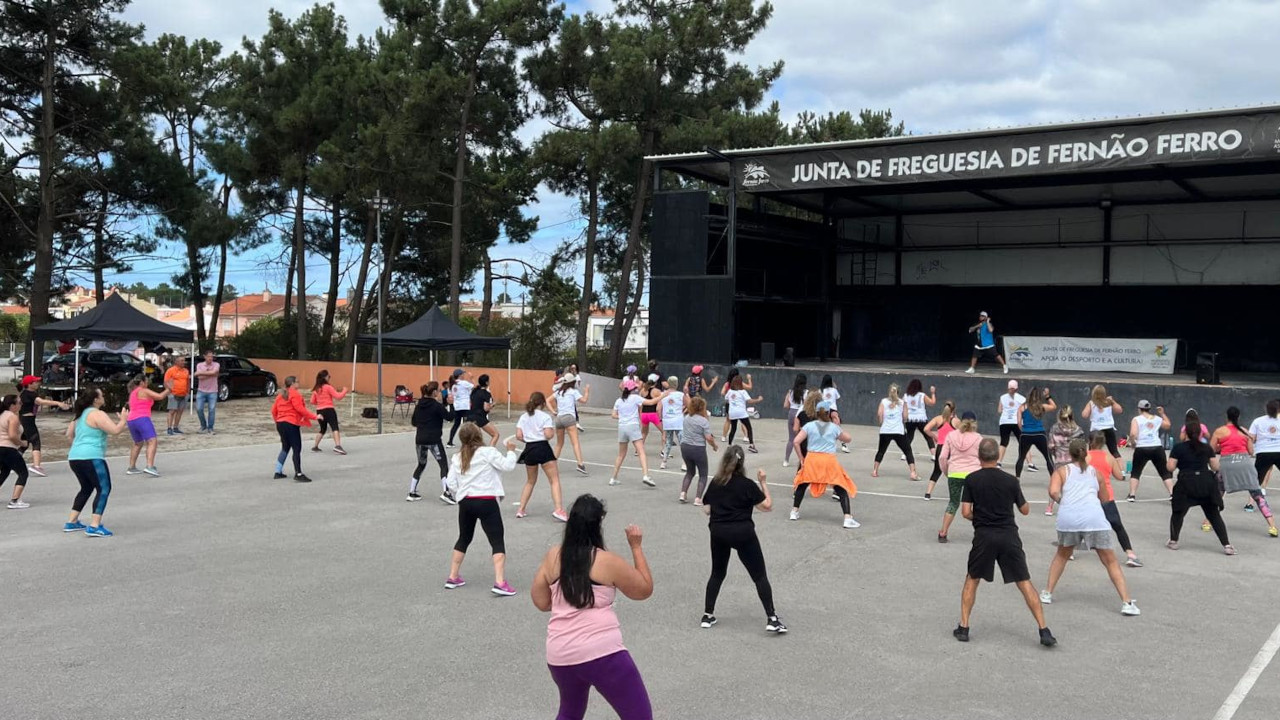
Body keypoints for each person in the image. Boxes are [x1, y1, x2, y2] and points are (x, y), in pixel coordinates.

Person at [531, 495, 654, 720]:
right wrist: (636, 547)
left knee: (570, 711)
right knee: (639, 716)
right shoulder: (606, 561)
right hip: (602, 653)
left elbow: (541, 601)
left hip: (560, 653)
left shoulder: (553, 556)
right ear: (598, 524)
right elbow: (643, 590)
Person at [954, 438, 1055, 646]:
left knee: (972, 580)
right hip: (1009, 536)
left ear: (979, 456)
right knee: (1024, 581)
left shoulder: (972, 480)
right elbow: (1025, 510)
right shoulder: (1011, 481)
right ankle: (1044, 630)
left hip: (984, 536)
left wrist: (980, 516)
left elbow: (965, 512)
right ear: (997, 456)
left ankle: (963, 627)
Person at [1040, 438, 1141, 616]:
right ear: (1086, 453)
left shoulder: (1062, 471)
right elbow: (1104, 499)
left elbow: (1053, 491)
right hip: (1094, 518)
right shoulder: (1096, 473)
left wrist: (1063, 502)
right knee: (1110, 561)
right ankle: (1126, 602)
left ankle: (1047, 593)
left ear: (1070, 454)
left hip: (1068, 518)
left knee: (1062, 555)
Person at [700, 445, 785, 633]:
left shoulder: (716, 482)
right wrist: (763, 482)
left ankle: (708, 614)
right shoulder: (746, 484)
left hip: (719, 532)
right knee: (759, 575)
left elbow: (706, 508)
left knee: (717, 573)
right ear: (742, 463)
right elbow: (767, 506)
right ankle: (772, 618)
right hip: (743, 533)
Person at [444, 424, 519, 595]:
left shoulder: (457, 457)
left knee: (464, 537)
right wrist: (511, 451)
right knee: (496, 540)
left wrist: (459, 494)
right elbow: (507, 466)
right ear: (479, 435)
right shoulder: (488, 452)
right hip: (486, 500)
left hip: (466, 501)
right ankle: (500, 581)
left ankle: (453, 576)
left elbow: (451, 483)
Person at [63, 387, 129, 537]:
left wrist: (79, 446)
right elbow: (115, 431)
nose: (104, 396)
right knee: (104, 488)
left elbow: (69, 434)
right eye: (101, 395)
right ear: (95, 399)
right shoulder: (97, 414)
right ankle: (94, 525)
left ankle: (71, 521)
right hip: (91, 456)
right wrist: (124, 420)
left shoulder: (79, 415)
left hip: (75, 457)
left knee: (86, 488)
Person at [1167, 421, 1234, 554]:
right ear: (1200, 433)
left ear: (1185, 433)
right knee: (1214, 515)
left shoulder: (1178, 448)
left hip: (1186, 482)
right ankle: (1227, 545)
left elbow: (1170, 467)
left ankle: (1174, 541)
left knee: (1178, 513)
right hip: (1205, 482)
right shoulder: (1206, 448)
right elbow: (1215, 467)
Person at [790, 400, 859, 528]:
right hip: (828, 460)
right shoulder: (833, 427)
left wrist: (801, 458)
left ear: (816, 412)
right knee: (840, 486)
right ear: (828, 413)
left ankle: (794, 511)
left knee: (802, 483)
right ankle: (847, 518)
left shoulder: (809, 426)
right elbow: (848, 439)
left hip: (812, 459)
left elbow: (796, 441)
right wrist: (838, 426)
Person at [1212, 407, 1277, 537]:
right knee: (1258, 496)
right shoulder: (1245, 432)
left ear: (1227, 416)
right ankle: (1272, 526)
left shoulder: (1220, 431)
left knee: (1218, 493)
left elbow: (1211, 449)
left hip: (1227, 464)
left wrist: (1221, 447)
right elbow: (1251, 452)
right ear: (1239, 417)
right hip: (1245, 464)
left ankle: (1207, 522)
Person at [1086, 432, 1143, 567]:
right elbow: (1118, 476)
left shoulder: (1085, 457)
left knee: (1079, 525)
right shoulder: (1109, 457)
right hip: (1106, 497)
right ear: (1104, 443)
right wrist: (1121, 475)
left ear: (1089, 441)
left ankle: (1068, 551)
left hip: (1089, 497)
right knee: (1117, 526)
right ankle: (1130, 554)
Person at [515, 392, 567, 522]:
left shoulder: (523, 417)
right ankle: (558, 509)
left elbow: (519, 436)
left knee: (530, 481)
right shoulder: (545, 417)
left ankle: (521, 509)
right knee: (554, 480)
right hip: (543, 448)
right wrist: (552, 433)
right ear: (543, 403)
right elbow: (548, 435)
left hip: (530, 448)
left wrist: (529, 438)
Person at [937, 411, 982, 543]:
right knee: (976, 505)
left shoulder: (951, 436)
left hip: (955, 473)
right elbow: (983, 458)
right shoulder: (978, 438)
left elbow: (942, 457)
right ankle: (981, 530)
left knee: (953, 502)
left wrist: (947, 472)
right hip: (973, 475)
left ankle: (943, 532)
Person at [409, 382, 453, 503]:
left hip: (420, 439)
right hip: (434, 439)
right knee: (443, 465)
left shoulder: (419, 405)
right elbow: (449, 417)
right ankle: (446, 492)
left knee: (421, 464)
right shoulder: (436, 406)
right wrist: (451, 405)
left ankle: (412, 492)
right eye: (438, 391)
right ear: (434, 392)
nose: (439, 393)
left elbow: (413, 422)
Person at [17, 375, 69, 477]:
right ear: (30, 384)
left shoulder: (26, 393)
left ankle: (10, 461)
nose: (38, 383)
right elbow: (41, 402)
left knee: (25, 443)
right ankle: (36, 466)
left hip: (26, 419)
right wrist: (58, 403)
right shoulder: (29, 394)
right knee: (36, 442)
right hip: (28, 421)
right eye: (35, 382)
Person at [271, 376, 317, 482]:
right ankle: (298, 473)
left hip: (280, 423)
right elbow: (300, 409)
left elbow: (273, 411)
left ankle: (278, 472)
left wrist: (278, 421)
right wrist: (314, 416)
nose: (299, 383)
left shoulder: (280, 395)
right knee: (296, 448)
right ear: (292, 384)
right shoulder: (295, 394)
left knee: (285, 447)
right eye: (297, 382)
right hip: (291, 423)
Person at [1126, 400, 1172, 501]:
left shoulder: (1136, 419)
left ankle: (1132, 494)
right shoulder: (1156, 418)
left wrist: (1133, 443)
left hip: (1142, 447)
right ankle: (1172, 493)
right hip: (1156, 446)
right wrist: (1162, 413)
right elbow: (1168, 425)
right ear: (1149, 409)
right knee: (1164, 472)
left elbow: (1133, 434)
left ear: (1139, 409)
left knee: (1136, 471)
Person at [124, 375, 169, 477]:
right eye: (146, 381)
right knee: (152, 440)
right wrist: (169, 389)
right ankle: (149, 466)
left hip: (131, 419)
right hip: (142, 418)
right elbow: (160, 396)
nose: (147, 383)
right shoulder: (143, 390)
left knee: (138, 443)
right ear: (142, 382)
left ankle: (132, 467)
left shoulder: (132, 393)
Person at [609, 380, 651, 487]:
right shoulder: (635, 398)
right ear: (633, 389)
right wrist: (662, 396)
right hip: (633, 426)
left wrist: (622, 416)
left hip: (622, 427)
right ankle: (646, 475)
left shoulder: (619, 400)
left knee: (621, 454)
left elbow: (613, 415)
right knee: (641, 451)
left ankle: (613, 477)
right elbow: (650, 402)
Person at [872, 383, 918, 480]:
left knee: (881, 451)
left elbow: (879, 414)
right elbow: (905, 417)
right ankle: (913, 473)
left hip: (885, 430)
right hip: (898, 431)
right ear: (898, 392)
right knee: (908, 451)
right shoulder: (902, 402)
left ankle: (875, 471)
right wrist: (903, 419)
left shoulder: (883, 401)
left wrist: (881, 423)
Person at [679, 396, 719, 505]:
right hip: (698, 448)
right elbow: (708, 437)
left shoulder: (686, 418)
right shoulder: (703, 421)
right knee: (703, 474)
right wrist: (714, 445)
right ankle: (698, 498)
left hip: (685, 446)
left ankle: (683, 493)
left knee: (689, 472)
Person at [1046, 406, 1084, 515]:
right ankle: (1072, 505)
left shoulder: (1054, 428)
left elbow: (1051, 445)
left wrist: (1056, 454)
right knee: (1071, 485)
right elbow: (1081, 447)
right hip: (1073, 461)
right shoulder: (1078, 430)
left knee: (1055, 484)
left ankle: (1050, 507)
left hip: (1059, 460)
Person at [551, 374, 590, 476]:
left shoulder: (558, 392)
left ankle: (552, 464)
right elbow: (584, 401)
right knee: (575, 443)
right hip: (569, 417)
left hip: (559, 418)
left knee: (559, 444)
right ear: (572, 382)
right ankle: (580, 464)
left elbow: (547, 400)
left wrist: (553, 411)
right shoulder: (573, 392)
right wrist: (586, 391)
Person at [1014, 386, 1057, 478]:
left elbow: (1018, 422)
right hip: (1039, 433)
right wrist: (1048, 396)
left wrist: (1024, 430)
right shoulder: (1041, 406)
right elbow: (1054, 406)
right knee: (1048, 458)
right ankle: (1053, 478)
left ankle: (1017, 478)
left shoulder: (1022, 407)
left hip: (1026, 433)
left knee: (1021, 457)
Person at [1, 394, 31, 509]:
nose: (21, 405)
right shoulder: (12, 417)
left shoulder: (2, 415)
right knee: (23, 472)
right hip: (8, 448)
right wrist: (21, 443)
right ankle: (15, 500)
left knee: (5, 471)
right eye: (19, 403)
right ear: (12, 405)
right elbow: (12, 435)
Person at [923, 401, 958, 500]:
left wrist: (934, 436)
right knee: (952, 471)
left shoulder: (938, 419)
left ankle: (928, 493)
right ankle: (954, 494)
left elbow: (926, 429)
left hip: (940, 447)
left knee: (937, 470)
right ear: (954, 410)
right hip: (951, 448)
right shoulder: (956, 421)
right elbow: (962, 433)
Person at [309, 369, 349, 455]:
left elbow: (312, 401)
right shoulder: (328, 387)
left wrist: (320, 402)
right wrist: (344, 390)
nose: (329, 378)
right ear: (325, 377)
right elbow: (338, 397)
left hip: (319, 410)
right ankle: (338, 446)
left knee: (322, 429)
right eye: (329, 377)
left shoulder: (316, 389)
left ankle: (315, 446)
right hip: (329, 409)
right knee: (334, 427)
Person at [1081, 385, 1123, 458]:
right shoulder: (1109, 402)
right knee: (1114, 451)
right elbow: (1119, 410)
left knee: (1092, 452)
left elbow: (1084, 415)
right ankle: (1120, 469)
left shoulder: (1091, 403)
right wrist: (1112, 401)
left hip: (1096, 430)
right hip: (1109, 429)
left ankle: (1091, 467)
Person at [724, 375, 763, 452]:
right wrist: (758, 399)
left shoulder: (730, 391)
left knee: (733, 428)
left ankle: (729, 445)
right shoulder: (743, 392)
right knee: (748, 427)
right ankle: (751, 445)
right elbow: (749, 401)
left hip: (732, 412)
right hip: (741, 412)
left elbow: (726, 400)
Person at [1250, 399, 1280, 495]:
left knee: (1256, 481)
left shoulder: (1258, 421)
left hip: (1263, 452)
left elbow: (1252, 438)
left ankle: (1251, 503)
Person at [902, 379, 937, 461]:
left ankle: (904, 454)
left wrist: (904, 418)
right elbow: (932, 403)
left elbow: (904, 408)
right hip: (921, 418)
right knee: (928, 436)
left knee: (909, 436)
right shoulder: (922, 395)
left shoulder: (906, 396)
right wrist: (933, 393)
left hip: (910, 418)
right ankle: (934, 455)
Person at [995, 380, 1025, 466]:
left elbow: (999, 410)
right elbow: (1024, 411)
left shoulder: (1002, 397)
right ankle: (1030, 464)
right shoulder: (1022, 398)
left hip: (1004, 422)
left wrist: (1007, 410)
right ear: (1017, 388)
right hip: (1016, 422)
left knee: (1003, 442)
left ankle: (999, 462)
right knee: (1023, 442)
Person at [659, 376, 685, 471]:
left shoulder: (663, 394)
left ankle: (664, 462)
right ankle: (684, 463)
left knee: (668, 442)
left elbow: (658, 408)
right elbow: (687, 404)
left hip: (667, 421)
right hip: (678, 421)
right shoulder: (681, 395)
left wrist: (661, 419)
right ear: (676, 384)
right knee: (682, 442)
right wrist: (682, 409)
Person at [820, 374, 850, 453]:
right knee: (837, 428)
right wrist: (834, 386)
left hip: (824, 410)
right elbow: (837, 397)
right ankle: (843, 445)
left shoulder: (820, 390)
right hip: (833, 410)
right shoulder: (834, 390)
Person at [192, 349, 221, 434]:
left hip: (213, 391)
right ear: (204, 356)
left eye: (212, 356)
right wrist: (210, 373)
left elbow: (214, 372)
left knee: (212, 409)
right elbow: (200, 377)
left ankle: (210, 428)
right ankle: (203, 425)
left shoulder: (216, 364)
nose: (210, 358)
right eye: (209, 356)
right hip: (201, 390)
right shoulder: (200, 365)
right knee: (199, 409)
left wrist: (201, 373)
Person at [781, 374, 807, 468]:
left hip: (791, 413)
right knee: (803, 438)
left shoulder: (790, 392)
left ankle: (786, 460)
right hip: (802, 414)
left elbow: (785, 405)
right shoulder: (806, 392)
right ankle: (802, 459)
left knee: (791, 439)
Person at [718, 368, 750, 441]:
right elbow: (749, 387)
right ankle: (746, 436)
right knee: (743, 420)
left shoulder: (727, 384)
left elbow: (722, 392)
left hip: (729, 404)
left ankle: (723, 436)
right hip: (739, 404)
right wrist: (749, 379)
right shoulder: (740, 383)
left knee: (728, 420)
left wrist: (729, 395)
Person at [469, 374, 499, 447]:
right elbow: (486, 408)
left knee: (475, 439)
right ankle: (491, 451)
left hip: (470, 415)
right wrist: (492, 405)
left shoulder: (474, 392)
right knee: (495, 434)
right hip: (480, 417)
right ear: (487, 383)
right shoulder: (486, 394)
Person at [163, 355, 190, 435]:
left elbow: (187, 381)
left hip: (183, 394)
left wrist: (187, 392)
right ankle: (169, 428)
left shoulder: (186, 371)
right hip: (173, 394)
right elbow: (166, 382)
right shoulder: (170, 370)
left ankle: (176, 427)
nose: (183, 362)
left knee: (180, 411)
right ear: (176, 362)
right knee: (172, 411)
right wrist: (169, 392)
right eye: (181, 360)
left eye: (184, 360)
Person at [446, 369, 474, 447]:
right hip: (465, 406)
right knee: (468, 424)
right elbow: (473, 386)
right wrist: (471, 378)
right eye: (463, 374)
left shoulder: (452, 385)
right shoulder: (464, 383)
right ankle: (467, 442)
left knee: (456, 424)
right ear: (460, 375)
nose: (464, 375)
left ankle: (450, 442)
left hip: (457, 406)